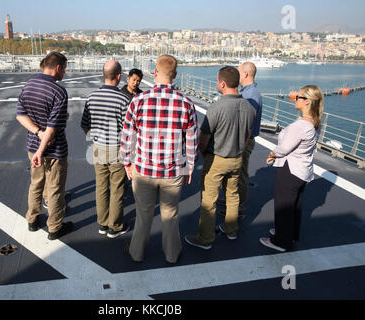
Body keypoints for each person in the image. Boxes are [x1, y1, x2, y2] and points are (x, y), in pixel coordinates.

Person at [120, 54, 198, 264]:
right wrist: (189, 167)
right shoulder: (186, 104)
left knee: (143, 215)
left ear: (155, 73)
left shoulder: (138, 100)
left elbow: (127, 136)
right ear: (175, 76)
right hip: (172, 172)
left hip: (144, 171)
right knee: (170, 216)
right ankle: (172, 255)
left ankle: (136, 253)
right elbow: (191, 141)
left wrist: (127, 162)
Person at [185, 66, 256, 249]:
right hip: (238, 158)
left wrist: (202, 152)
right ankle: (231, 230)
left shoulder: (216, 107)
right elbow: (248, 136)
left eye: (218, 81)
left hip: (217, 159)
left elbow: (204, 138)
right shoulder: (249, 107)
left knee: (209, 200)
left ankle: (205, 239)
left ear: (222, 84)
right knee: (232, 195)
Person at [16, 51, 73, 240]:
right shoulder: (58, 91)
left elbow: (20, 116)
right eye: (64, 68)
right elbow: (52, 127)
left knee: (36, 184)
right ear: (57, 68)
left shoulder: (28, 85)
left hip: (32, 146)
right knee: (55, 189)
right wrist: (43, 147)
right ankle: (55, 227)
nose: (64, 72)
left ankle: (32, 219)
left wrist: (37, 134)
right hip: (54, 151)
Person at [260, 85, 324, 252]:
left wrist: (272, 154)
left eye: (298, 97)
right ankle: (289, 233)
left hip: (291, 170)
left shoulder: (300, 125)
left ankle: (281, 241)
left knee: (284, 205)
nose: (295, 98)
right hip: (303, 169)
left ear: (307, 102)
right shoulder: (314, 122)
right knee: (295, 205)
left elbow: (284, 149)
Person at [81, 60, 131, 238]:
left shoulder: (92, 96)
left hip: (98, 147)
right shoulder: (124, 99)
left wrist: (96, 137)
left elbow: (84, 124)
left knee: (101, 186)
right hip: (117, 148)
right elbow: (129, 129)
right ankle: (115, 226)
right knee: (117, 188)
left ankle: (102, 223)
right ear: (118, 76)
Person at [218, 62, 263, 219]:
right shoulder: (249, 92)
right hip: (241, 139)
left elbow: (246, 122)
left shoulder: (251, 95)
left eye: (238, 72)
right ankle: (232, 202)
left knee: (240, 175)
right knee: (235, 174)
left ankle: (239, 208)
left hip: (244, 140)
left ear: (245, 74)